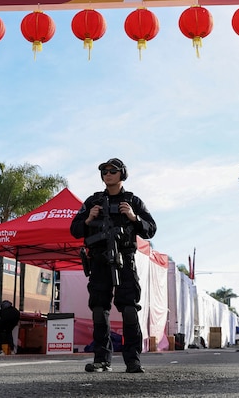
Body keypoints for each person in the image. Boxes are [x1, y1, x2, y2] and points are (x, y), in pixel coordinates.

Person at [70, 158, 157, 373]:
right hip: (99, 260)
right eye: (104, 171)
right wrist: (88, 220)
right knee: (99, 309)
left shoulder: (132, 201)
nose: (107, 174)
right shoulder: (93, 201)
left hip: (124, 260)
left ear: (122, 174)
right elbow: (75, 229)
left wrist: (134, 217)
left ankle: (133, 360)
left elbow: (151, 229)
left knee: (128, 309)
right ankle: (101, 359)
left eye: (112, 171)